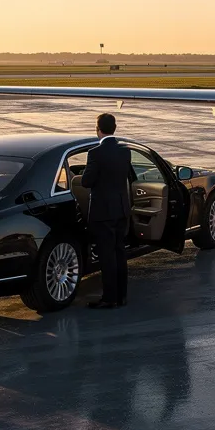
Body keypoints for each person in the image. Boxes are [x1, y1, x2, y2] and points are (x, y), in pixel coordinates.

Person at [81, 113, 135, 308]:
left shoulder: (95, 153)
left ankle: (109, 298)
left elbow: (86, 182)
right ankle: (121, 296)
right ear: (114, 128)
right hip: (121, 209)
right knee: (120, 253)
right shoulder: (125, 151)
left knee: (107, 256)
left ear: (98, 130)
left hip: (103, 212)